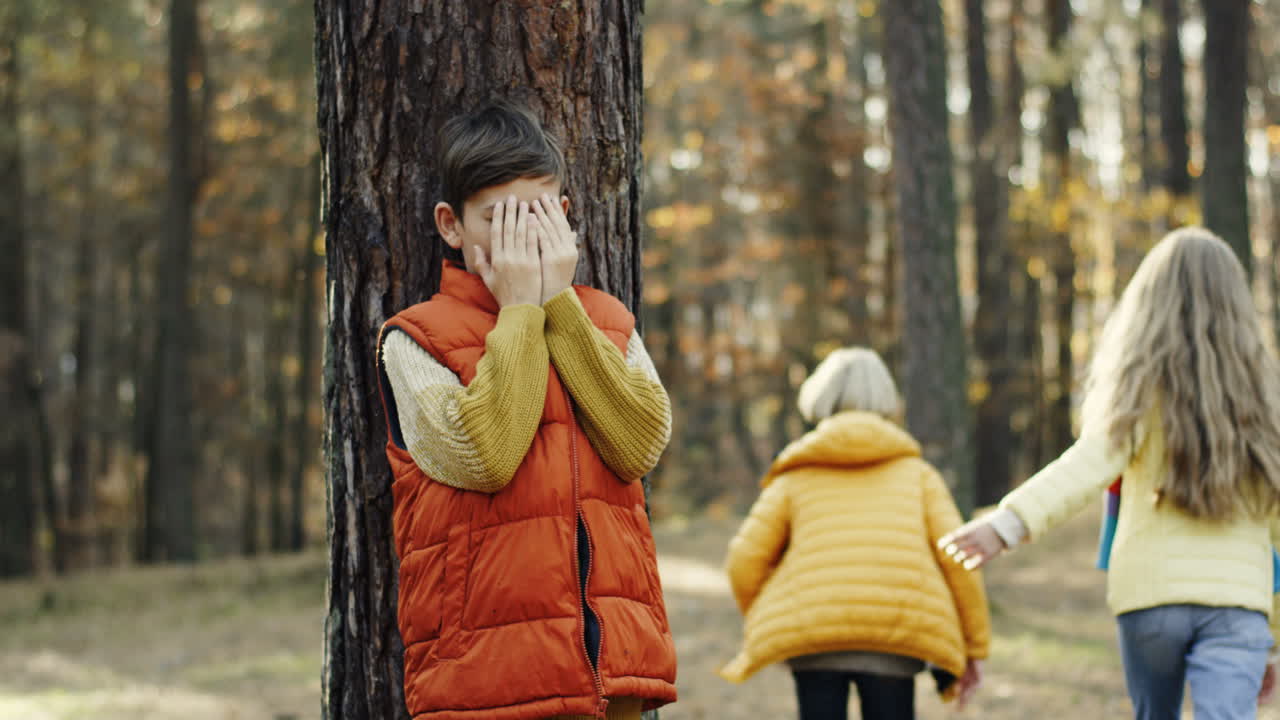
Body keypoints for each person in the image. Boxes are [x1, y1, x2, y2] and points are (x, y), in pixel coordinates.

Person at [374, 101, 677, 720]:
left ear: (564, 216)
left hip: (612, 672)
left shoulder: (608, 322)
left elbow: (639, 445)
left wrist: (558, 303)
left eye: (535, 214)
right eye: (497, 218)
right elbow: (485, 456)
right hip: (486, 680)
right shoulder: (414, 339)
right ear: (451, 225)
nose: (519, 236)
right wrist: (518, 311)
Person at [941, 227, 1280, 719]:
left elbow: (1085, 467)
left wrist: (1006, 526)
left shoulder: (1138, 393)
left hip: (1151, 600)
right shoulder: (1265, 409)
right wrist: (1272, 642)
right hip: (1237, 606)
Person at [719, 347, 989, 720]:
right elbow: (960, 559)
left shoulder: (796, 475)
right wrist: (974, 647)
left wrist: (775, 613)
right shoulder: (918, 475)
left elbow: (743, 560)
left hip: (813, 635)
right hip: (897, 636)